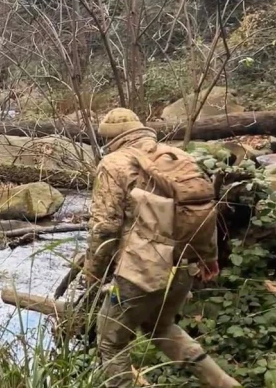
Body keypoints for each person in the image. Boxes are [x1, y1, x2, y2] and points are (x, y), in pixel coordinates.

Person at [84, 108, 240, 388]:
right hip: (183, 265)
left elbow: (104, 228)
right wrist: (208, 256)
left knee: (110, 343)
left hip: (141, 271)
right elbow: (202, 209)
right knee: (162, 327)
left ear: (110, 139)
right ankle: (225, 384)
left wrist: (93, 274)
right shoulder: (176, 157)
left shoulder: (113, 163)